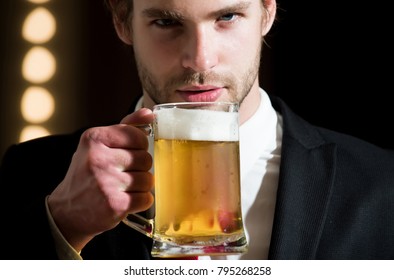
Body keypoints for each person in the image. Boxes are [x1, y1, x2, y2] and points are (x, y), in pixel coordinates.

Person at [0, 0, 393, 260]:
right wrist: (60, 226)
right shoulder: (32, 173)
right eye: (166, 22)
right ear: (123, 23)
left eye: (227, 17)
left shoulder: (379, 184)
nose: (199, 59)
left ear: (267, 13)